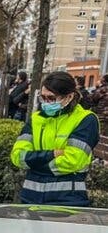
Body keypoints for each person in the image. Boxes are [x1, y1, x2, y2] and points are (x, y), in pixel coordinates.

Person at [11, 71, 99, 206]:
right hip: (30, 197)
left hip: (67, 201)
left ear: (69, 97)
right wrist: (52, 154)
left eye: (51, 98)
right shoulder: (36, 119)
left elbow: (72, 161)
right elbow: (17, 156)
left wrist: (34, 164)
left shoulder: (86, 119)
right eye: (43, 98)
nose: (46, 103)